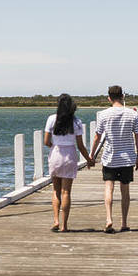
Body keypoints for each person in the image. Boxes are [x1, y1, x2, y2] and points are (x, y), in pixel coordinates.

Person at [90, 85, 138, 232]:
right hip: (127, 159)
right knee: (125, 191)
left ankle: (109, 218)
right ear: (123, 96)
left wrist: (91, 155)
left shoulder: (103, 115)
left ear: (109, 98)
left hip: (110, 158)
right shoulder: (132, 114)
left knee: (109, 188)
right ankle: (124, 223)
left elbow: (97, 137)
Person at [44, 94, 94, 232]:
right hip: (70, 156)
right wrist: (89, 160)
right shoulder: (77, 122)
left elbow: (46, 141)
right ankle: (64, 225)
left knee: (56, 190)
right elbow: (81, 146)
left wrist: (54, 147)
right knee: (66, 192)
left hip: (55, 154)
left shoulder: (51, 119)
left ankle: (55, 220)